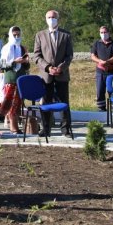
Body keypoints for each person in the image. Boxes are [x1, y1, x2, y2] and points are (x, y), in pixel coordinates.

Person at [31, 9, 74, 138]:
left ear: (58, 19)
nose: (51, 19)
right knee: (46, 102)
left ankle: (66, 129)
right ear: (46, 19)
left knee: (64, 101)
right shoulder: (40, 35)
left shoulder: (66, 35)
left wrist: (61, 67)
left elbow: (69, 55)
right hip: (46, 75)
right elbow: (36, 56)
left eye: (54, 17)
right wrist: (48, 67)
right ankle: (46, 128)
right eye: (49, 17)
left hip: (62, 74)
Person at [0, 25, 30, 134]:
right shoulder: (6, 48)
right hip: (10, 79)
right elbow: (1, 64)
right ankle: (13, 126)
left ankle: (15, 124)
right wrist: (14, 62)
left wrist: (25, 62)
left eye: (18, 35)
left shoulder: (22, 48)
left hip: (20, 79)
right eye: (14, 35)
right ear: (10, 35)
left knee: (18, 104)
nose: (16, 37)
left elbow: (27, 66)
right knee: (11, 103)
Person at [90, 25, 113, 113]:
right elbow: (92, 55)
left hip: (111, 70)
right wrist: (100, 61)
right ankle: (101, 108)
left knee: (112, 89)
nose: (103, 34)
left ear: (109, 33)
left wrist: (108, 61)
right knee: (100, 90)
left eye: (105, 32)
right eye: (101, 32)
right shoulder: (96, 43)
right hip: (100, 70)